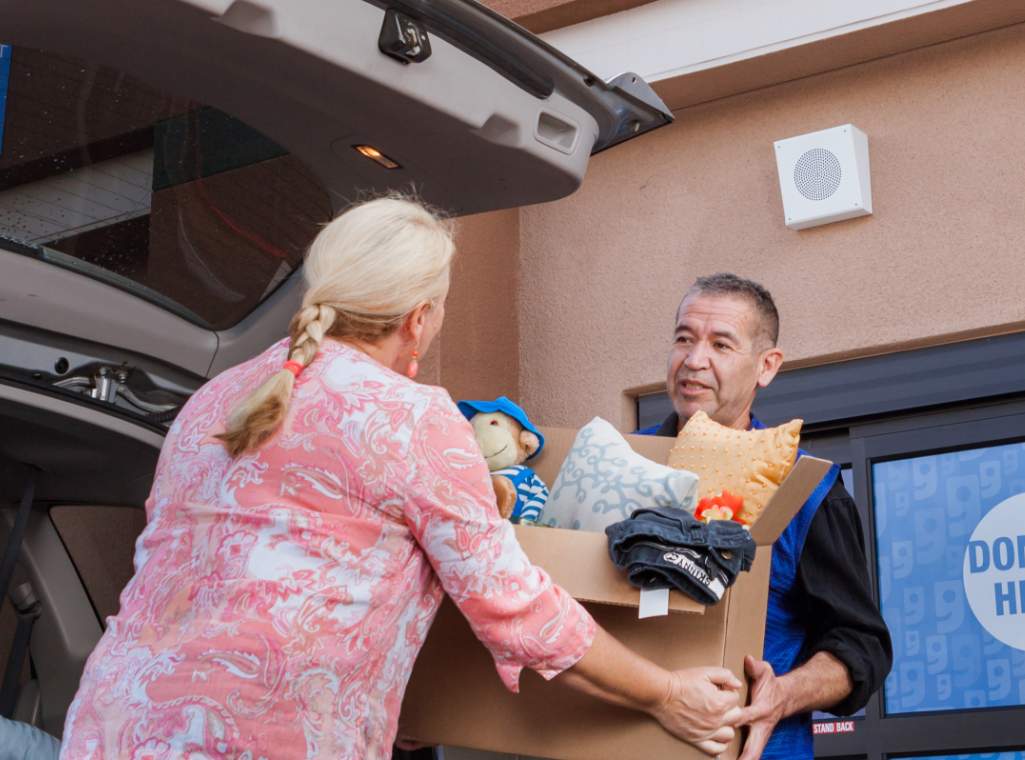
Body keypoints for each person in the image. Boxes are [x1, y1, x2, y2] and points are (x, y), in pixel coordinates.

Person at [60, 197, 743, 760]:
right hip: (261, 737)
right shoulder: (410, 418)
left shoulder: (213, 401)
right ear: (418, 320)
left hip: (109, 725)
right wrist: (666, 693)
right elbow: (516, 608)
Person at [638, 273, 892, 760]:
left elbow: (861, 645)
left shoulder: (805, 489)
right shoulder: (621, 461)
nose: (694, 360)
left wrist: (783, 694)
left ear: (766, 366)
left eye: (721, 344)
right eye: (683, 339)